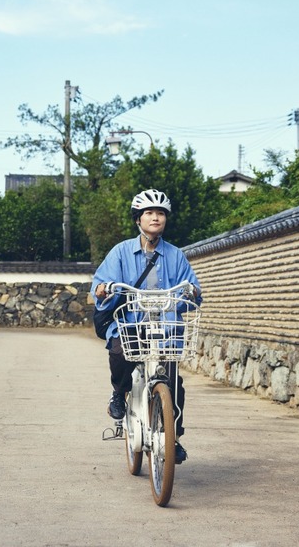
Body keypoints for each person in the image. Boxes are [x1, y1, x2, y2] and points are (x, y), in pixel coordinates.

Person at [91, 188, 202, 464]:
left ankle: (172, 437)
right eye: (149, 213)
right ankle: (119, 393)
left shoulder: (176, 256)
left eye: (160, 213)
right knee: (118, 353)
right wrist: (104, 289)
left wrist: (193, 293)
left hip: (166, 329)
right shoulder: (120, 252)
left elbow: (192, 290)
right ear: (138, 219)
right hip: (131, 326)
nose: (155, 218)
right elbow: (100, 284)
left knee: (174, 384)